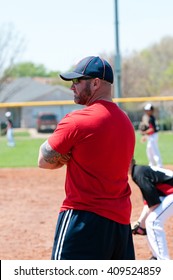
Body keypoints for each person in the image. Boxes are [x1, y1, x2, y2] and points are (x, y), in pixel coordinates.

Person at [38, 56, 136, 260]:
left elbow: (43, 160)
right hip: (120, 226)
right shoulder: (126, 122)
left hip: (82, 219)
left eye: (77, 81)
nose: (72, 87)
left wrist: (66, 157)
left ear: (95, 82)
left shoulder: (78, 120)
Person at [129, 159, 173, 260]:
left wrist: (139, 223)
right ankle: (156, 256)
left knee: (153, 222)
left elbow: (154, 203)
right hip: (169, 194)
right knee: (149, 221)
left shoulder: (138, 174)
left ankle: (163, 261)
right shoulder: (139, 171)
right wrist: (140, 223)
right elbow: (149, 202)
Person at [139, 103, 162, 167]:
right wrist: (145, 136)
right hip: (151, 136)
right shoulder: (149, 117)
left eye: (148, 110)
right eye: (146, 110)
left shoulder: (151, 118)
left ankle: (159, 165)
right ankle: (152, 164)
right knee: (149, 150)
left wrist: (144, 133)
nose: (146, 111)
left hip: (153, 136)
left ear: (151, 110)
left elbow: (152, 130)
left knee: (154, 150)